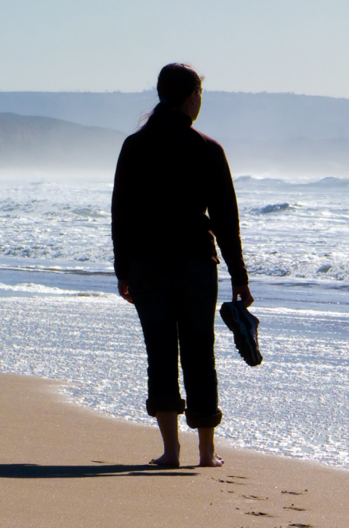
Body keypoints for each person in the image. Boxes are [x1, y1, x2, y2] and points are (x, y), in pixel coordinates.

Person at [111, 63, 254, 468]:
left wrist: (123, 271)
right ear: (191, 96)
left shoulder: (134, 146)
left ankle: (171, 452)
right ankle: (206, 452)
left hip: (147, 267)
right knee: (198, 352)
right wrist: (239, 277)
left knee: (160, 352)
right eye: (200, 95)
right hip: (195, 265)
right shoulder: (207, 148)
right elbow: (227, 219)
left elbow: (121, 215)